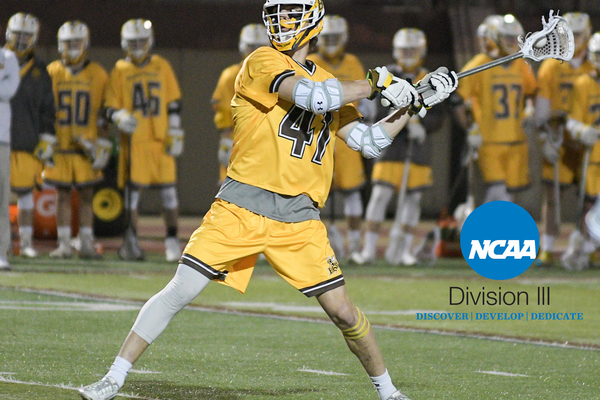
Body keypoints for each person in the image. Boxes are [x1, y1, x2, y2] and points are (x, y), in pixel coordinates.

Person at [78, 1, 457, 399]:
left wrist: (414, 103)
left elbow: (370, 141)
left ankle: (389, 392)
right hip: (242, 204)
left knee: (344, 312)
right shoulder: (263, 60)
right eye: (279, 14)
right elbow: (314, 98)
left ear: (313, 22)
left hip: (299, 217)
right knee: (181, 289)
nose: (283, 22)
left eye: (293, 14)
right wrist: (376, 84)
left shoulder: (330, 81)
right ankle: (113, 377)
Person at [350, 28, 444, 266]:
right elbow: (377, 108)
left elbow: (439, 115)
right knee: (380, 195)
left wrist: (422, 125)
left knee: (413, 200)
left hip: (418, 148)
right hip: (390, 147)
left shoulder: (429, 78)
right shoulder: (387, 75)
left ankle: (404, 250)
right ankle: (368, 250)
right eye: (404, 50)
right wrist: (401, 118)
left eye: (412, 50)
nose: (408, 55)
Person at [104, 19, 185, 262]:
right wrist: (118, 116)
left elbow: (173, 102)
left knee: (169, 194)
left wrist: (175, 129)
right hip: (135, 141)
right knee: (133, 196)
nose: (138, 46)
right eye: (133, 42)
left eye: (142, 41)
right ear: (124, 43)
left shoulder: (162, 65)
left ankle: (172, 240)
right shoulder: (120, 69)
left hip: (160, 139)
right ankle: (131, 239)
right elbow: (108, 107)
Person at [454, 14, 537, 205]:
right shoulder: (481, 62)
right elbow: (457, 98)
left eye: (515, 38)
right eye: (507, 38)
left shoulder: (521, 63)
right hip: (489, 141)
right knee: (497, 192)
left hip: (517, 140)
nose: (512, 42)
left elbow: (532, 92)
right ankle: (484, 223)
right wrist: (469, 128)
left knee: (512, 196)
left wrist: (530, 110)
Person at [44, 21, 110, 259]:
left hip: (86, 146)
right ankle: (63, 244)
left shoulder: (98, 74)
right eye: (68, 43)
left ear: (86, 44)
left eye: (76, 42)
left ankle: (85, 242)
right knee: (61, 195)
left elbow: (104, 112)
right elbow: (44, 109)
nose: (72, 47)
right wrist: (45, 138)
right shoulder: (52, 71)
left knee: (87, 196)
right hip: (60, 144)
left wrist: (103, 144)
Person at [307, 14, 368, 258]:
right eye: (327, 37)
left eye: (335, 37)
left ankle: (354, 245)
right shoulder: (310, 61)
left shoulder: (353, 62)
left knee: (352, 192)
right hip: (317, 136)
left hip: (346, 134)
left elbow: (364, 95)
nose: (331, 42)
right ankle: (314, 244)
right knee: (312, 195)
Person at [535, 12, 594, 265]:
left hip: (589, 139)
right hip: (559, 137)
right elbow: (541, 111)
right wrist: (544, 139)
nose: (574, 38)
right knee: (552, 195)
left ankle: (588, 246)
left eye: (579, 33)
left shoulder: (594, 65)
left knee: (590, 198)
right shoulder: (551, 65)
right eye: (570, 33)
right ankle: (547, 247)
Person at [5, 12, 56, 258]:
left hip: (27, 140)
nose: (22, 40)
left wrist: (47, 137)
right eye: (18, 34)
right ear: (8, 34)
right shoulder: (2, 60)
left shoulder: (40, 70)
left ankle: (25, 242)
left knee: (26, 194)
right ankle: (3, 241)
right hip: (1, 139)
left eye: (27, 35)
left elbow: (48, 108)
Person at [561, 31, 600, 271]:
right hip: (593, 155)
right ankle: (587, 249)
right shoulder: (583, 84)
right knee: (589, 206)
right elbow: (571, 121)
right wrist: (582, 131)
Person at [213, 23, 269, 185]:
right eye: (252, 47)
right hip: (239, 140)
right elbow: (223, 111)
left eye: (260, 47)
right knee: (232, 190)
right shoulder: (231, 75)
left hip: (268, 141)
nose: (256, 52)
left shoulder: (279, 75)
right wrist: (225, 139)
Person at [0, 39, 20, 270]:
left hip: (1, 139)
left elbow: (9, 90)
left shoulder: (8, 57)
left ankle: (1, 252)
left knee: (1, 199)